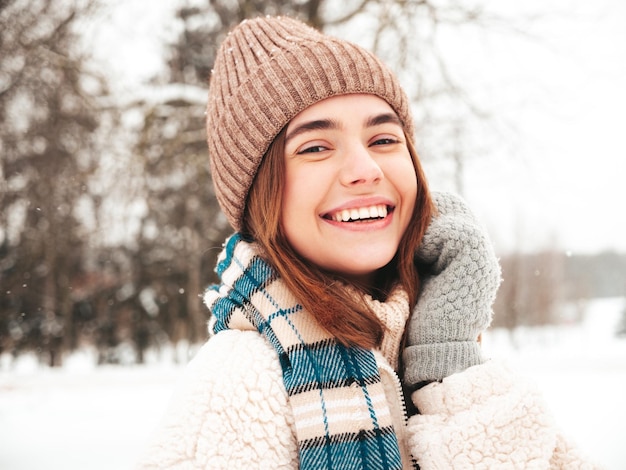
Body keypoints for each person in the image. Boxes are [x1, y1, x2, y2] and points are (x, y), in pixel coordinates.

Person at [137, 16, 598, 469]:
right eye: (315, 147)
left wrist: (445, 366)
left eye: (382, 139)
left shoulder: (440, 348)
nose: (366, 168)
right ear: (262, 195)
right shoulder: (240, 380)